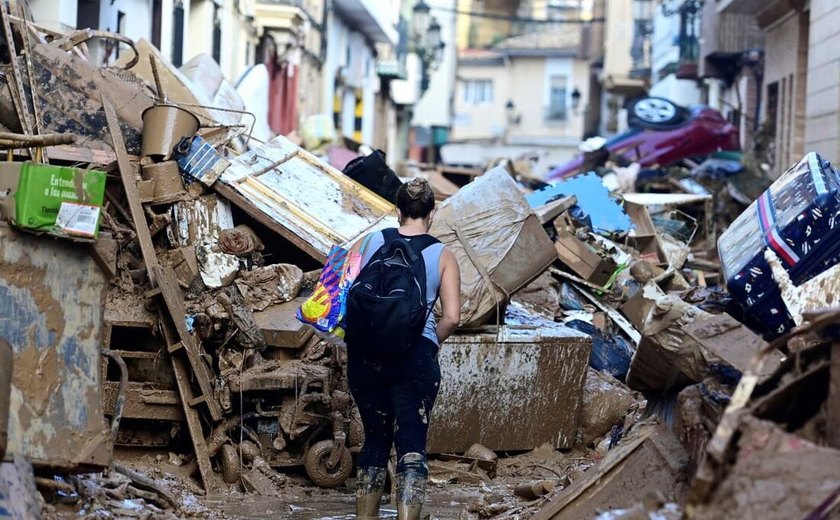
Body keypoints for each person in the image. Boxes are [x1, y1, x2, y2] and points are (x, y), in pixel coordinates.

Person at [347, 178, 461, 520]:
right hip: (414, 360)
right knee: (411, 444)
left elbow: (341, 291)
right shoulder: (443, 254)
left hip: (366, 359)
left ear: (398, 211)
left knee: (374, 441)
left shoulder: (369, 241)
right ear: (433, 212)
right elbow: (453, 317)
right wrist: (429, 342)